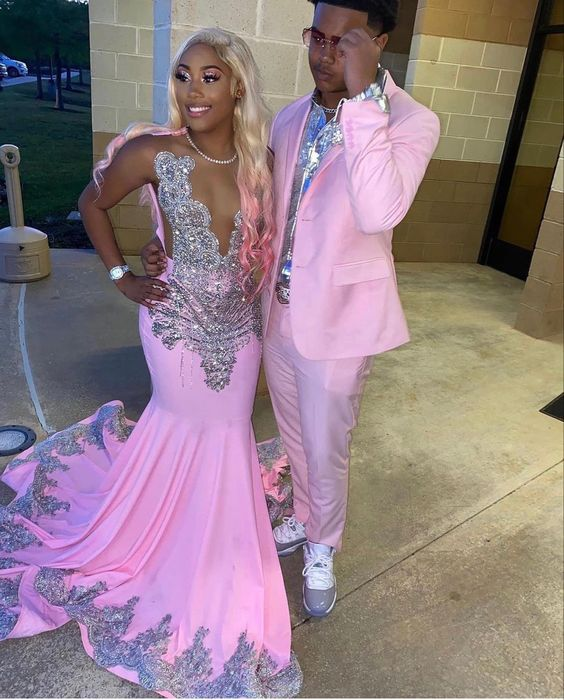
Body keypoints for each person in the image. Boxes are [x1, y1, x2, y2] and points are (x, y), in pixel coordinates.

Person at [0, 28, 301, 698]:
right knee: (182, 423)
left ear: (238, 86)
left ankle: (208, 536)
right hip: (173, 325)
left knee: (227, 433)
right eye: (183, 75)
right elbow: (91, 202)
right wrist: (124, 275)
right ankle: (157, 540)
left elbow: (274, 246)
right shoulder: (154, 153)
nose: (193, 91)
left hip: (239, 331)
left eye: (210, 77)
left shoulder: (265, 161)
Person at [143, 0, 440, 619]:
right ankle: (306, 517)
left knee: (327, 446)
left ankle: (324, 544)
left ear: (378, 41)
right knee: (295, 437)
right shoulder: (290, 117)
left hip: (342, 322)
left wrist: (363, 98)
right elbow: (255, 209)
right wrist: (168, 241)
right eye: (317, 37)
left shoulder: (412, 121)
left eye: (344, 42)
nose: (325, 55)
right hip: (274, 314)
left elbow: (379, 210)